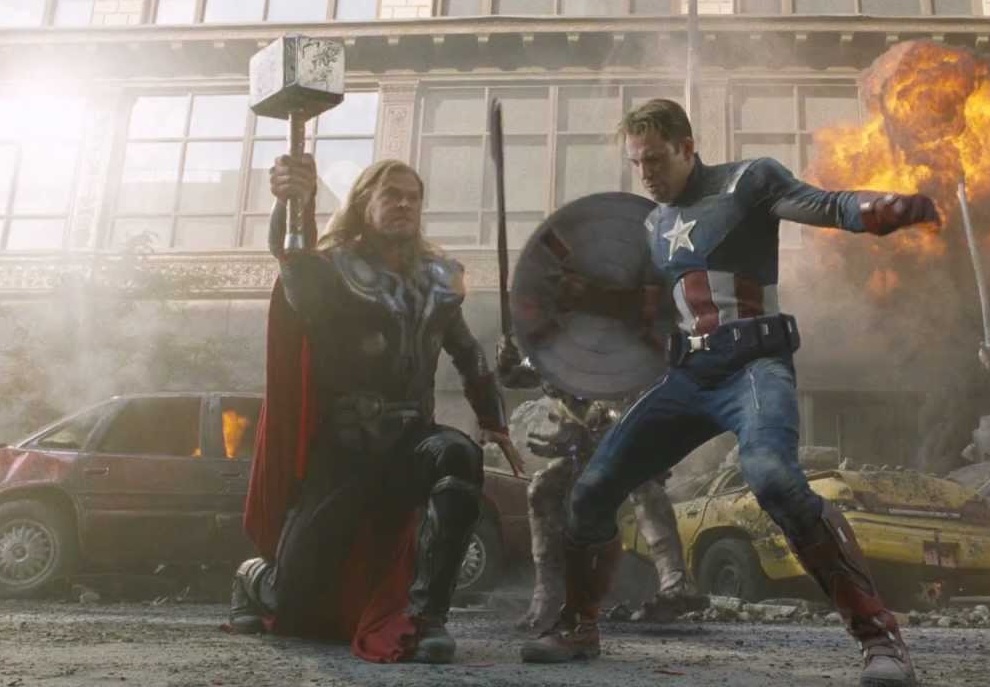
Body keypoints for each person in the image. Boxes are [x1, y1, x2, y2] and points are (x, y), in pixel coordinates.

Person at [519, 99, 938, 687]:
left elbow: (827, 205)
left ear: (688, 147)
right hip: (688, 377)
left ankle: (880, 639)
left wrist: (883, 209)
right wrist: (548, 324)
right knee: (591, 491)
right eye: (637, 163)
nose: (646, 174)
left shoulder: (748, 183)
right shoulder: (653, 226)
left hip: (753, 367)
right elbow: (637, 316)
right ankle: (578, 625)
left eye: (656, 159)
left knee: (774, 479)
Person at [226, 154, 523, 664]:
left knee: (458, 455)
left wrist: (493, 420)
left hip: (411, 443)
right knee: (296, 603)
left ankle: (427, 619)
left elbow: (467, 353)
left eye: (413, 197)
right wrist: (294, 202)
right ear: (364, 202)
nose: (405, 204)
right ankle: (253, 577)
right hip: (343, 452)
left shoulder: (438, 278)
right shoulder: (331, 270)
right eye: (392, 195)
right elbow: (293, 262)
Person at [498, 375, 707, 631]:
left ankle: (675, 582)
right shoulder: (562, 363)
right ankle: (548, 595)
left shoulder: (630, 360)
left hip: (630, 432)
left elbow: (645, 405)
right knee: (543, 489)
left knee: (644, 485)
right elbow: (513, 375)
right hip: (586, 445)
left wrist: (579, 438)